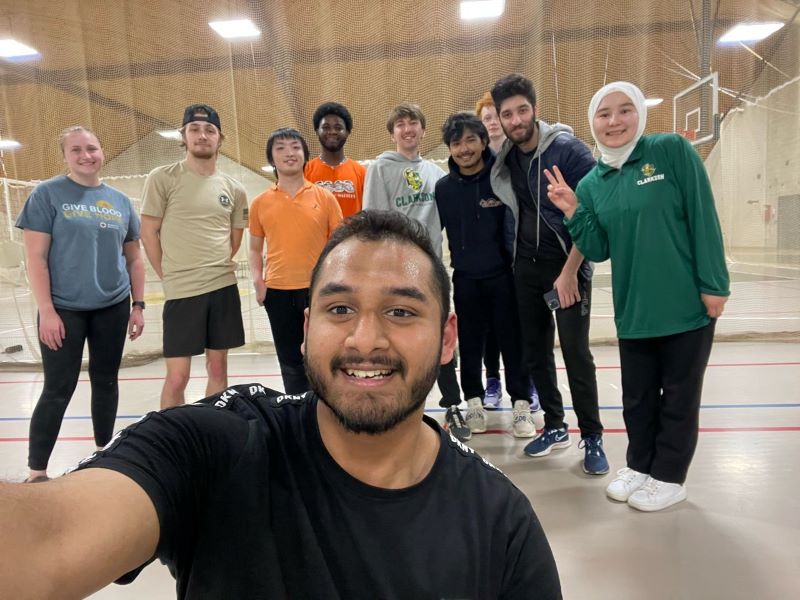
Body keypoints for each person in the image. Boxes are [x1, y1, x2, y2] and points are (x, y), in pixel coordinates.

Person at [0, 211, 563, 600]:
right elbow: (46, 541)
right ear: (306, 329)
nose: (365, 340)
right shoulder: (222, 445)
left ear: (446, 338)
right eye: (339, 309)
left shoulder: (500, 522)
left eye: (401, 312)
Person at [544, 81, 730, 511]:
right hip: (634, 310)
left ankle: (669, 476)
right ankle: (640, 465)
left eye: (624, 110)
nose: (614, 122)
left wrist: (714, 285)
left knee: (680, 396)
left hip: (685, 305)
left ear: (639, 115)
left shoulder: (670, 152)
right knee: (638, 397)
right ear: (592, 122)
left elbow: (703, 216)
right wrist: (573, 209)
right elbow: (599, 248)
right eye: (604, 114)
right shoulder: (592, 183)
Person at [490, 74, 607, 472]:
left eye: (522, 110)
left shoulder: (570, 152)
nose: (516, 119)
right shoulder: (507, 156)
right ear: (501, 120)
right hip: (526, 268)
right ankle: (555, 426)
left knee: (576, 353)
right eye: (508, 113)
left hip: (567, 266)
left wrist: (572, 271)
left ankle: (591, 436)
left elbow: (591, 218)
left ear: (535, 110)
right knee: (535, 352)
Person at [15, 126, 145, 483]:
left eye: (92, 148)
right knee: (58, 388)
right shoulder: (47, 195)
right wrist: (47, 311)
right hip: (63, 309)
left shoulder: (119, 201)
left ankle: (105, 453)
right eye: (76, 150)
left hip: (112, 305)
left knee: (105, 381)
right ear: (65, 157)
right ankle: (37, 471)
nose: (86, 155)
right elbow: (36, 258)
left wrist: (138, 305)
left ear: (102, 150)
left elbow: (133, 258)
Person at [362, 102, 465, 440]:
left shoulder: (436, 174)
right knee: (397, 342)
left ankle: (453, 404)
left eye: (413, 123)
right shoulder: (380, 168)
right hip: (396, 274)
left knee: (440, 339)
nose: (407, 130)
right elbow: (373, 221)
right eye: (400, 124)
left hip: (432, 271)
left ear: (422, 130)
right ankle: (398, 406)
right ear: (393, 132)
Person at [140, 104, 248, 409]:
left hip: (223, 288)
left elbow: (234, 236)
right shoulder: (162, 178)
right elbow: (148, 232)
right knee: (178, 377)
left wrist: (215, 264)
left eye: (209, 130)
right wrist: (169, 274)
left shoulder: (235, 188)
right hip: (182, 291)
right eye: (195, 130)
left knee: (218, 369)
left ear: (220, 139)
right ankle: (171, 443)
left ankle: (211, 434)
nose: (202, 136)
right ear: (184, 136)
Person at [435, 113, 533, 439]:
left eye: (470, 140)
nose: (464, 149)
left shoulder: (501, 179)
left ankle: (520, 403)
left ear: (482, 140)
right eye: (456, 142)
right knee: (472, 345)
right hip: (465, 280)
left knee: (512, 343)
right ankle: (473, 401)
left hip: (503, 277)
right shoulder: (443, 189)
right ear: (449, 147)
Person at [249, 128, 343, 393]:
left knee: (322, 357)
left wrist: (335, 283)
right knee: (290, 361)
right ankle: (297, 411)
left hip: (317, 290)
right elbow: (255, 249)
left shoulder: (325, 197)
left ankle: (326, 411)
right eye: (280, 148)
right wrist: (258, 281)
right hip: (277, 292)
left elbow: (339, 246)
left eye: (294, 147)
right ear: (272, 158)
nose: (289, 153)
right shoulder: (260, 203)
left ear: (305, 155)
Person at [475, 91, 541, 410]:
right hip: (489, 261)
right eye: (486, 118)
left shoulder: (521, 156)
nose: (492, 123)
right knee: (490, 327)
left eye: (494, 116)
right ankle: (493, 381)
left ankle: (528, 381)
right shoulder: (477, 164)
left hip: (522, 256)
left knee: (523, 325)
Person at [304, 101, 366, 217]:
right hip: (317, 235)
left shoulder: (361, 172)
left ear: (347, 132)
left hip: (352, 235)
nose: (332, 132)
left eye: (338, 127)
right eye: (326, 127)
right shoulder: (305, 171)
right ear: (317, 131)